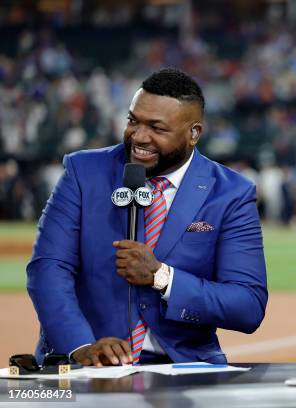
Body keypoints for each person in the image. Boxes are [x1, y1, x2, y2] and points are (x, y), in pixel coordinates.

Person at [27, 68, 268, 366]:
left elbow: (247, 306)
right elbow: (48, 268)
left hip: (182, 367)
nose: (139, 137)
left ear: (194, 133)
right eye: (133, 121)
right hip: (90, 360)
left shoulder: (230, 193)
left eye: (157, 128)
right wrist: (80, 347)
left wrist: (162, 277)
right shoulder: (83, 173)